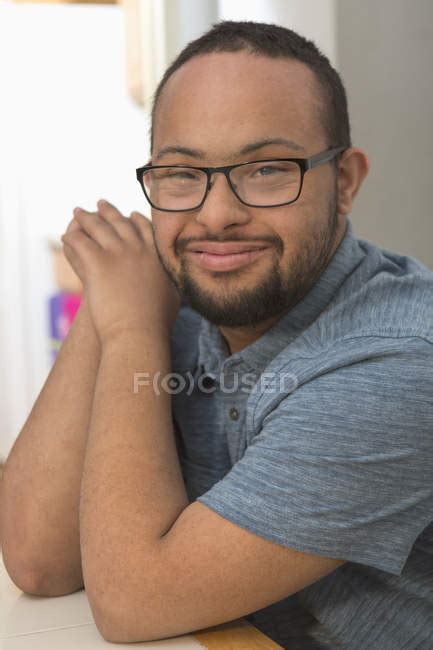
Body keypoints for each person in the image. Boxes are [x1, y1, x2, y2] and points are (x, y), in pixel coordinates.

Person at [1, 19, 432, 650]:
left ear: (343, 183)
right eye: (181, 173)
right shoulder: (177, 294)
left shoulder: (398, 367)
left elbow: (133, 602)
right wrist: (113, 299)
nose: (217, 215)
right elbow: (39, 560)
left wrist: (126, 330)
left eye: (265, 170)